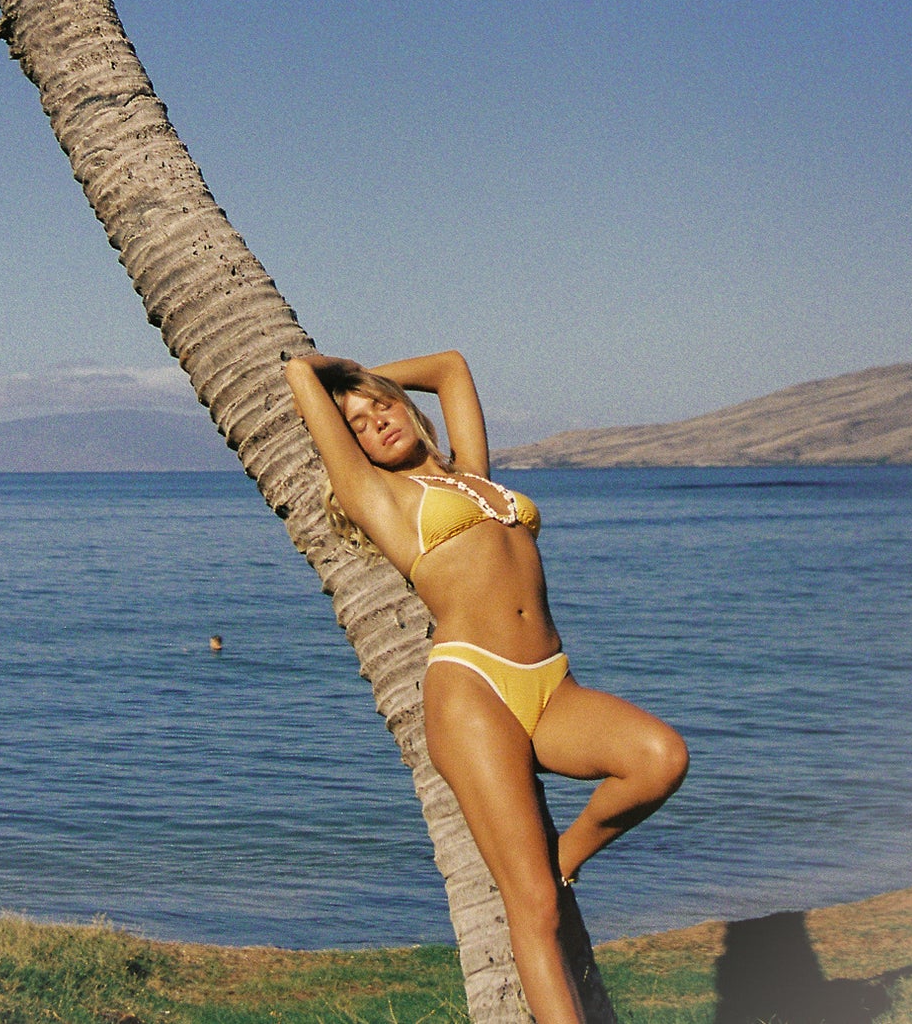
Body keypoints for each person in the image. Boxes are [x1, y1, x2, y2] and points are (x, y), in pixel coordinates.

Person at [285, 349, 687, 1024]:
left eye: (379, 405)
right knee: (532, 911)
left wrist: (369, 377)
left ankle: (566, 855)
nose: (375, 421)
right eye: (354, 423)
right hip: (472, 689)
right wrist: (336, 375)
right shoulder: (378, 496)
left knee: (658, 756)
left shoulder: (471, 478)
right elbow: (299, 371)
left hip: (552, 684)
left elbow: (449, 367)